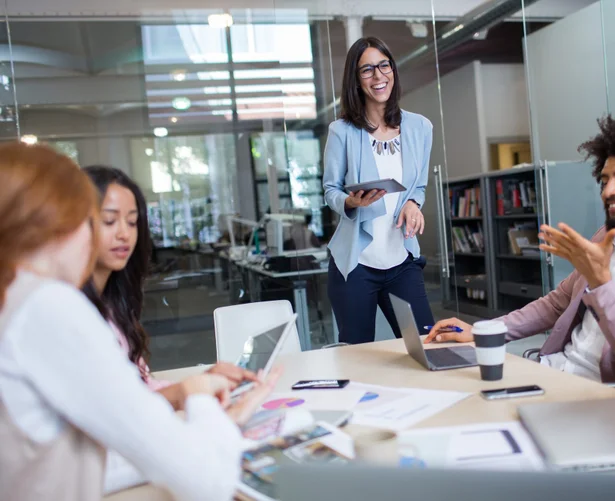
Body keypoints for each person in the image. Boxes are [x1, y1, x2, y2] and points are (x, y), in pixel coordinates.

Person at [0, 142, 279, 501]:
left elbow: (76, 461)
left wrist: (195, 424)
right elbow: (207, 482)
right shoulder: (48, 306)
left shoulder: (14, 301)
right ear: (64, 224)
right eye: (96, 221)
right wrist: (205, 407)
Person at [425, 106, 615, 390]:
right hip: (556, 372)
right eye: (605, 179)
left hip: (607, 399)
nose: (608, 191)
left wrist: (601, 283)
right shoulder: (606, 238)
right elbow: (557, 302)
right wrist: (483, 332)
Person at [81, 166, 248, 401]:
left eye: (131, 222)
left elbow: (142, 387)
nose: (124, 234)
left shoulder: (112, 303)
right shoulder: (72, 311)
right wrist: (187, 391)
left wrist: (203, 382)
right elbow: (115, 409)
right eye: (109, 221)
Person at [323, 36, 434, 344]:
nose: (378, 76)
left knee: (426, 346)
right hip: (356, 265)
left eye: (384, 65)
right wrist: (350, 201)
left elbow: (419, 185)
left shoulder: (420, 128)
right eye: (367, 69)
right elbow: (330, 189)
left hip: (402, 261)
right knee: (356, 356)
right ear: (356, 81)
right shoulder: (342, 131)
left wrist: (413, 202)